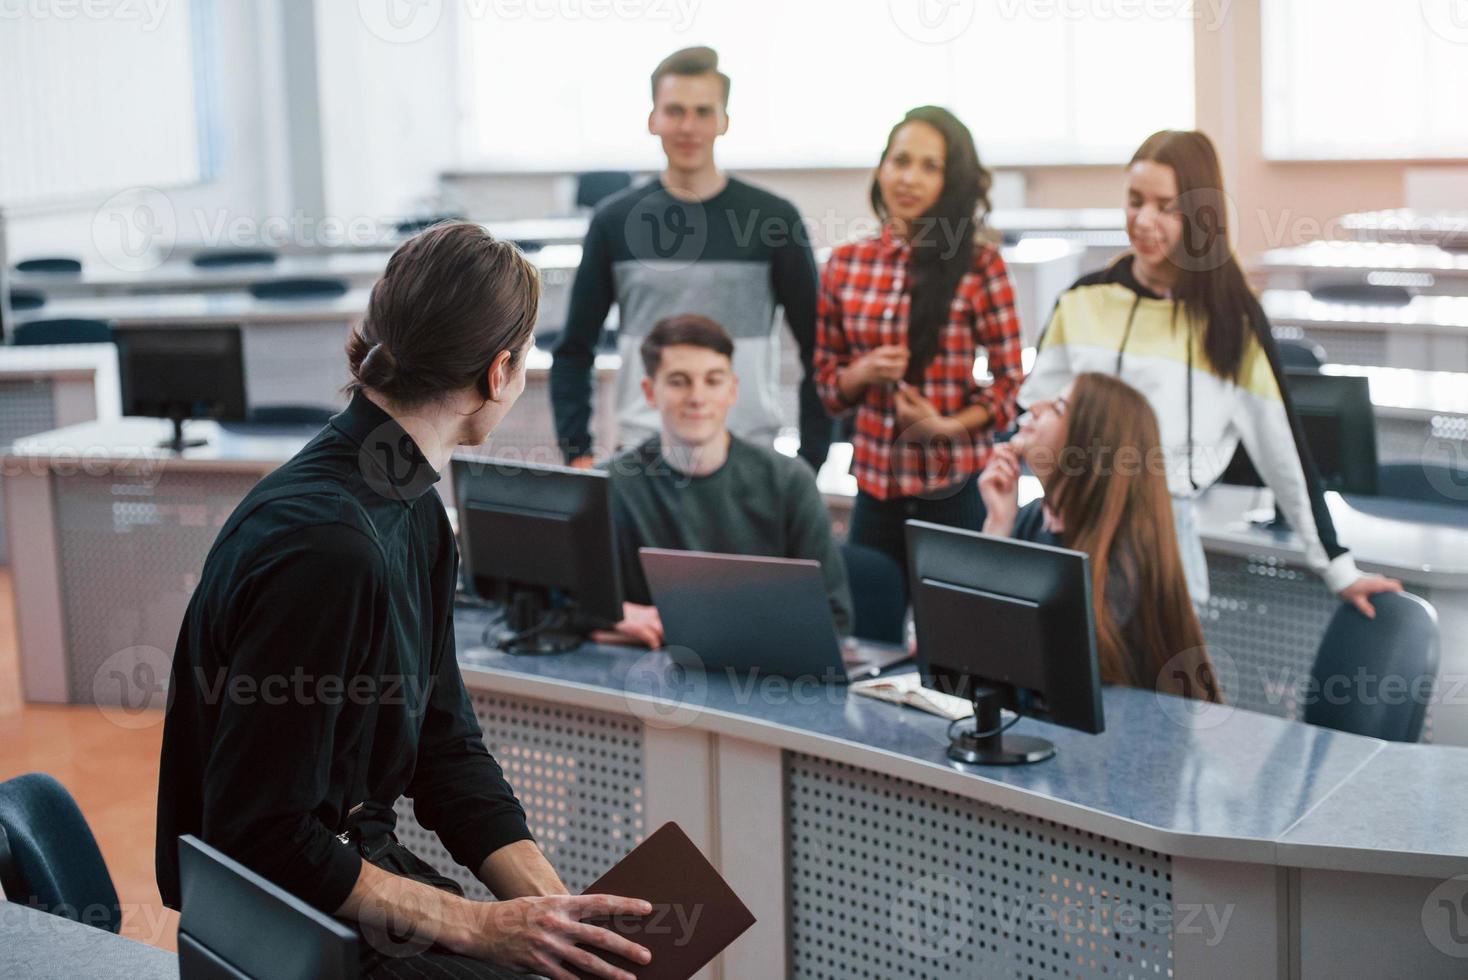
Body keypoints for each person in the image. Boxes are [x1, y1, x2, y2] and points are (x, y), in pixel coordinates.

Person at [156, 223, 653, 980]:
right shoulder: (328, 547)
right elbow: (260, 838)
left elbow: (445, 747)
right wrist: (483, 927)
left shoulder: (408, 501)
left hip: (340, 878)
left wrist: (560, 919)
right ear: (498, 372)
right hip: (278, 919)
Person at [1020, 129, 1399, 615]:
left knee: (1161, 685)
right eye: (1134, 201)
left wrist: (1336, 566)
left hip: (1165, 535)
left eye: (1165, 207)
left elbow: (1284, 452)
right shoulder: (1083, 299)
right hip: (1073, 523)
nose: (1143, 220)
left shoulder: (1232, 321)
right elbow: (1033, 413)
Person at [551, 45, 832, 471]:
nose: (688, 126)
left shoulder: (774, 219)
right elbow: (574, 349)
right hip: (643, 460)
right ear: (653, 119)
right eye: (674, 110)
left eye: (703, 112)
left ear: (724, 121)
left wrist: (812, 458)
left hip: (750, 458)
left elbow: (819, 350)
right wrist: (578, 454)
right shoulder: (614, 221)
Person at [814, 106, 1024, 580]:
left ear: (952, 182)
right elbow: (827, 386)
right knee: (872, 635)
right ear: (881, 166)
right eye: (900, 160)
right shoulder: (845, 264)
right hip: (875, 489)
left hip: (956, 489)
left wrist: (947, 426)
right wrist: (862, 372)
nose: (909, 178)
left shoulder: (979, 264)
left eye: (930, 167)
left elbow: (1011, 384)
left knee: (958, 640)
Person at [600, 313, 853, 650]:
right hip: (644, 679)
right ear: (649, 391)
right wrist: (607, 616)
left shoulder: (789, 482)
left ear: (732, 389)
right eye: (678, 381)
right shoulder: (611, 485)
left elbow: (835, 618)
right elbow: (560, 603)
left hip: (765, 682)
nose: (697, 397)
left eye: (713, 380)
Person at [980, 372, 1221, 700]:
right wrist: (998, 523)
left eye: (1059, 407)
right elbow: (976, 649)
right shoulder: (1034, 519)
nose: (1035, 407)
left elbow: (1027, 670)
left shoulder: (1119, 566)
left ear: (1088, 445)